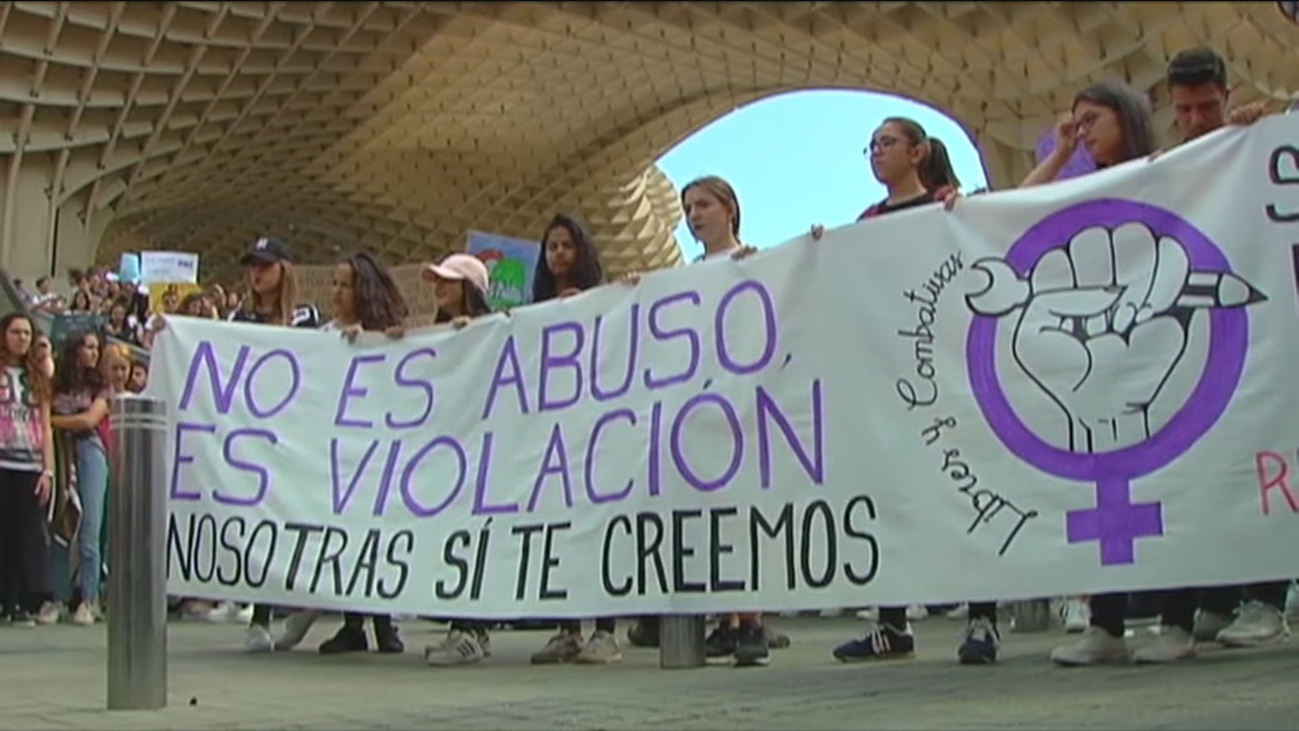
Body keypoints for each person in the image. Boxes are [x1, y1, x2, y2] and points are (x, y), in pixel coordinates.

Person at [1077, 48, 1281, 662]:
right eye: (1185, 109)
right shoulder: (1164, 168)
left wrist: (1256, 131)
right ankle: (1191, 608)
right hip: (1179, 341)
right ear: (1169, 104)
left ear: (1227, 94)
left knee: (1255, 460)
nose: (1195, 120)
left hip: (1256, 330)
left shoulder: (1251, 143)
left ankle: (1262, 599)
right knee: (1186, 472)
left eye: (1207, 107)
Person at [624, 176, 773, 668]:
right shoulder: (686, 277)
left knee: (742, 513)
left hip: (744, 406)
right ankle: (726, 620)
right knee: (713, 516)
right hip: (700, 410)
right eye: (687, 208)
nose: (693, 216)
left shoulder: (756, 262)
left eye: (703, 205)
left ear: (729, 208)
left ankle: (752, 623)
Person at [275, 252, 409, 655]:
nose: (335, 292)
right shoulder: (324, 337)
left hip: (377, 454)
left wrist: (385, 343)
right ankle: (355, 625)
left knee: (375, 535)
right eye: (333, 284)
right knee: (348, 537)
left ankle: (383, 624)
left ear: (362, 290)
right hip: (338, 457)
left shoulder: (390, 336)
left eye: (344, 285)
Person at [196, 235, 320, 650]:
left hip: (293, 434)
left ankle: (299, 598)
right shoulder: (240, 319)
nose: (256, 273)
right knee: (258, 521)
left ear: (284, 270)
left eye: (265, 265)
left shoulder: (305, 318)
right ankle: (259, 614)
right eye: (252, 265)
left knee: (287, 519)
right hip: (251, 435)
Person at [525, 214, 623, 665]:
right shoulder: (534, 312)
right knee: (561, 533)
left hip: (597, 433)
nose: (559, 253)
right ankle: (567, 630)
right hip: (555, 439)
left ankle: (605, 631)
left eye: (566, 245)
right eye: (552, 247)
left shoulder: (606, 302)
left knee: (598, 528)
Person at [418, 253, 500, 667]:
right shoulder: (438, 335)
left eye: (447, 281)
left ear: (469, 288)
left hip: (481, 455)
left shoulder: (495, 330)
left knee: (471, 540)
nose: (438, 287)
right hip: (450, 455)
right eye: (437, 280)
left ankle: (469, 629)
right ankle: (468, 629)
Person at [46, 331, 112, 626]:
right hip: (59, 449)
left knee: (90, 527)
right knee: (60, 523)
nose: (95, 353)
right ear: (75, 350)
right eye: (89, 347)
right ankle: (58, 598)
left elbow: (88, 420)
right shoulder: (55, 384)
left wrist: (50, 420)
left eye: (97, 348)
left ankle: (89, 598)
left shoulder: (102, 387)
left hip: (90, 450)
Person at [0, 313, 56, 626]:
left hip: (29, 462)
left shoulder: (37, 376)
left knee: (23, 536)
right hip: (1, 459)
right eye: (15, 332)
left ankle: (16, 602)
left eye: (26, 333)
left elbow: (46, 426)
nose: (22, 338)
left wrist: (48, 470)